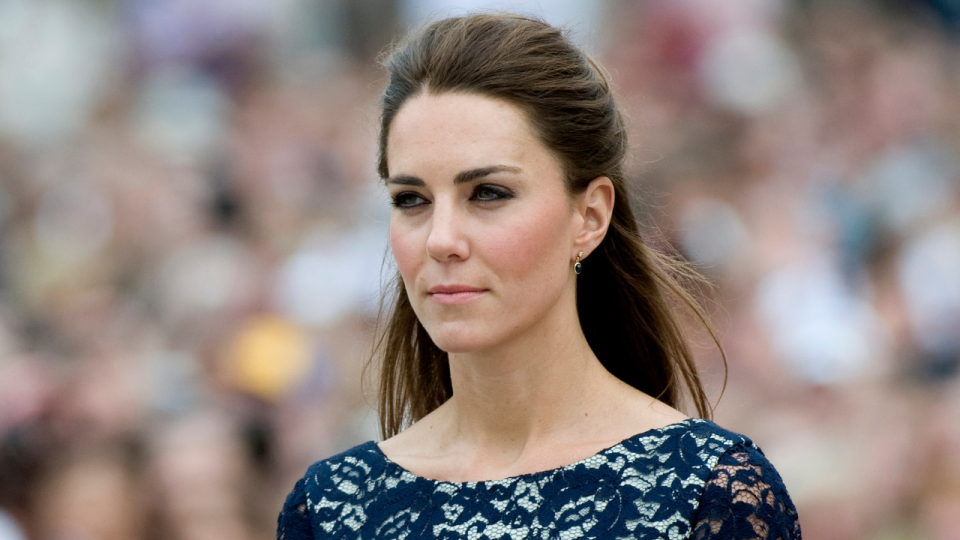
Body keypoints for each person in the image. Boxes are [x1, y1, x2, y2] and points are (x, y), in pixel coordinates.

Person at [278, 13, 801, 540]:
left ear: (590, 217)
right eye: (411, 200)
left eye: (487, 193)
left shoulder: (708, 493)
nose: (440, 240)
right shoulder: (330, 508)